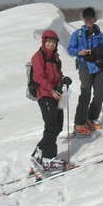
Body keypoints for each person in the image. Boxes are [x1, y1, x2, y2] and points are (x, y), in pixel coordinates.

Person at [30, 30, 72, 170]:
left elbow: (58, 75)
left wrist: (63, 80)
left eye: (53, 42)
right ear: (43, 42)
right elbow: (39, 77)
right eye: (48, 41)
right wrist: (51, 90)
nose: (51, 44)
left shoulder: (56, 58)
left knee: (58, 126)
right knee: (51, 124)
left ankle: (49, 156)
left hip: (56, 94)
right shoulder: (38, 57)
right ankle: (40, 154)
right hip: (44, 94)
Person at [68, 7, 103, 136]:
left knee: (99, 94)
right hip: (84, 66)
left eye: (91, 18)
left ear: (94, 19)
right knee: (85, 93)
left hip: (99, 66)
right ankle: (79, 123)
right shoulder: (78, 34)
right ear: (84, 19)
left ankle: (91, 119)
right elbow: (70, 49)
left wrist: (100, 52)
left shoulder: (100, 35)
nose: (89, 21)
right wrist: (79, 52)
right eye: (86, 18)